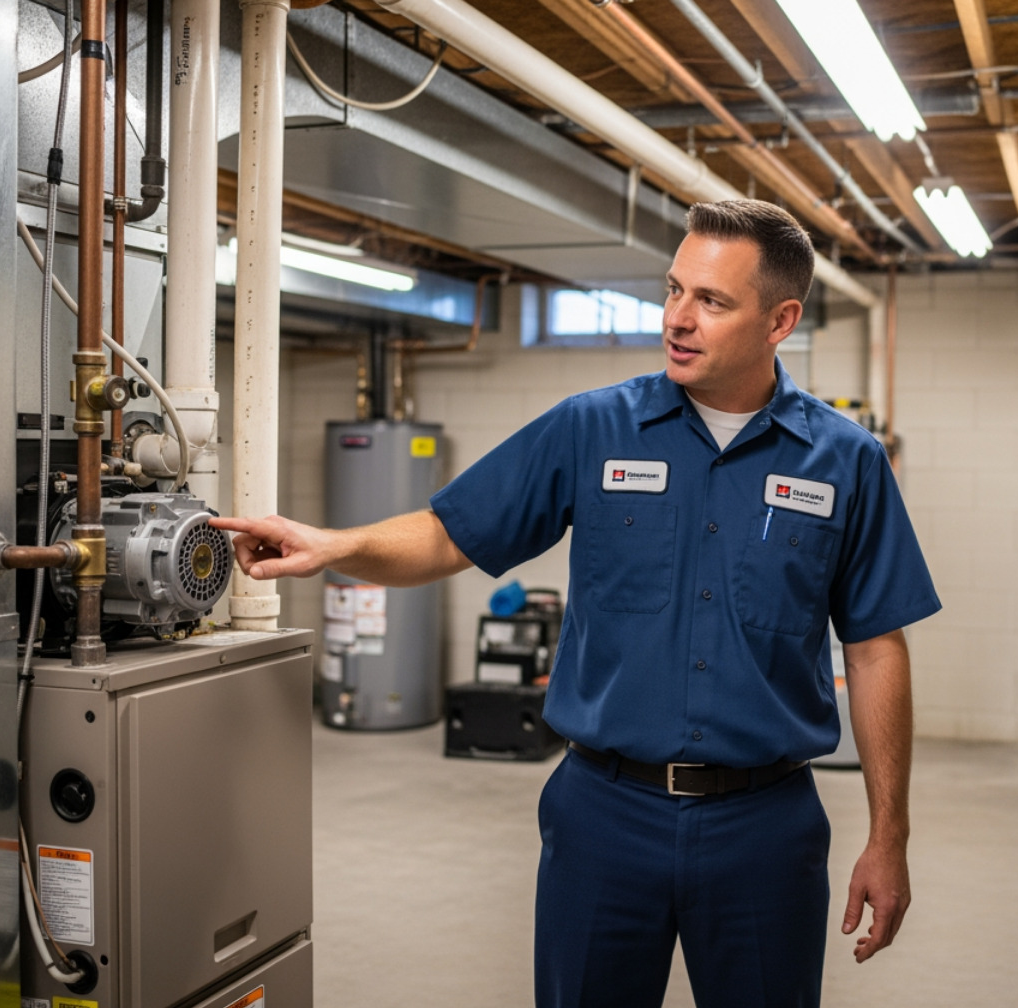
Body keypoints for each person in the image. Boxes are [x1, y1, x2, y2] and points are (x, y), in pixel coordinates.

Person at [212, 199, 941, 1008]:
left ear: (781, 321)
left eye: (712, 301)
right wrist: (336, 546)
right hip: (604, 814)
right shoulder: (593, 429)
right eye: (673, 290)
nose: (678, 318)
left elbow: (877, 647)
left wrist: (889, 835)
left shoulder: (847, 461)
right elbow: (451, 533)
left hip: (765, 828)